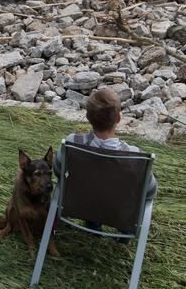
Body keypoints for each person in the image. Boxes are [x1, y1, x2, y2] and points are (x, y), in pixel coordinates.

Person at [53, 87, 158, 233]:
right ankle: (124, 232)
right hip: (117, 213)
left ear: (88, 117)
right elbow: (150, 191)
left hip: (80, 206)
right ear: (119, 119)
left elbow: (58, 170)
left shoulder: (72, 143)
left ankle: (92, 221)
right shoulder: (133, 155)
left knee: (92, 191)